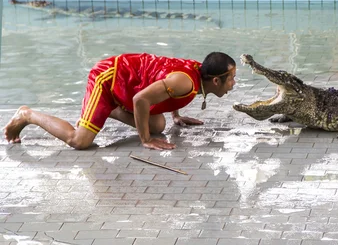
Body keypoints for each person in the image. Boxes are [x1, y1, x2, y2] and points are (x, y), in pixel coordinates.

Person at [3, 52, 237, 150]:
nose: (233, 84)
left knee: (159, 125)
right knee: (80, 141)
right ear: (215, 81)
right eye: (231, 79)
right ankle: (26, 114)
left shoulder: (198, 73)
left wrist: (175, 114)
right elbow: (140, 98)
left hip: (126, 80)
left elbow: (165, 79)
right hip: (108, 78)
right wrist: (145, 141)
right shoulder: (185, 82)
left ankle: (109, 110)